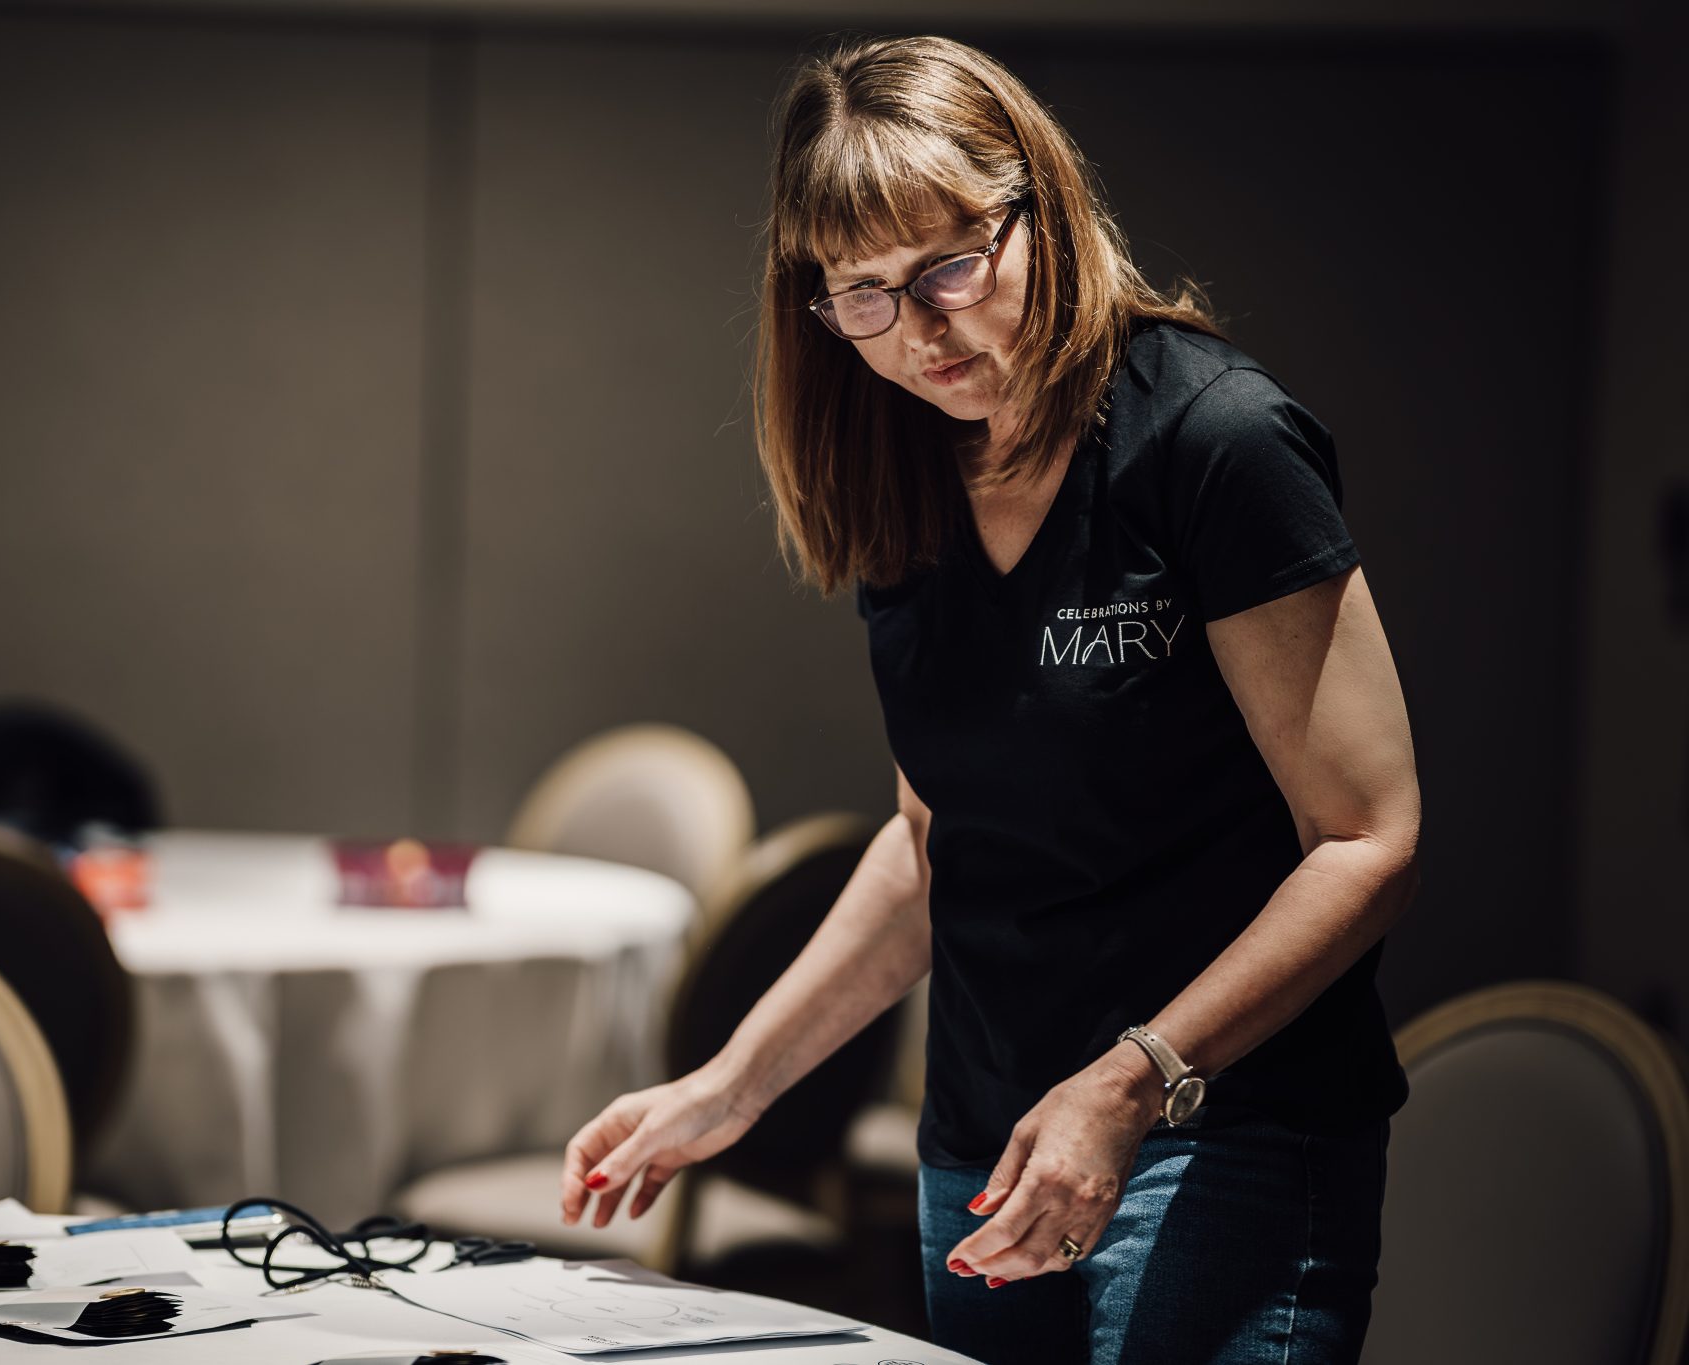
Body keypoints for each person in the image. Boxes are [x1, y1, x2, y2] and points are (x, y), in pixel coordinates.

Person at [556, 33, 1420, 1365]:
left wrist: (1129, 1084)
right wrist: (729, 1087)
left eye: (947, 266)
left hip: (1219, 1135)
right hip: (983, 1143)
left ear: (1040, 209)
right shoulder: (908, 474)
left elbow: (1367, 839)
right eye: (862, 294)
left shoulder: (1215, 441)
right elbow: (928, 845)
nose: (918, 330)